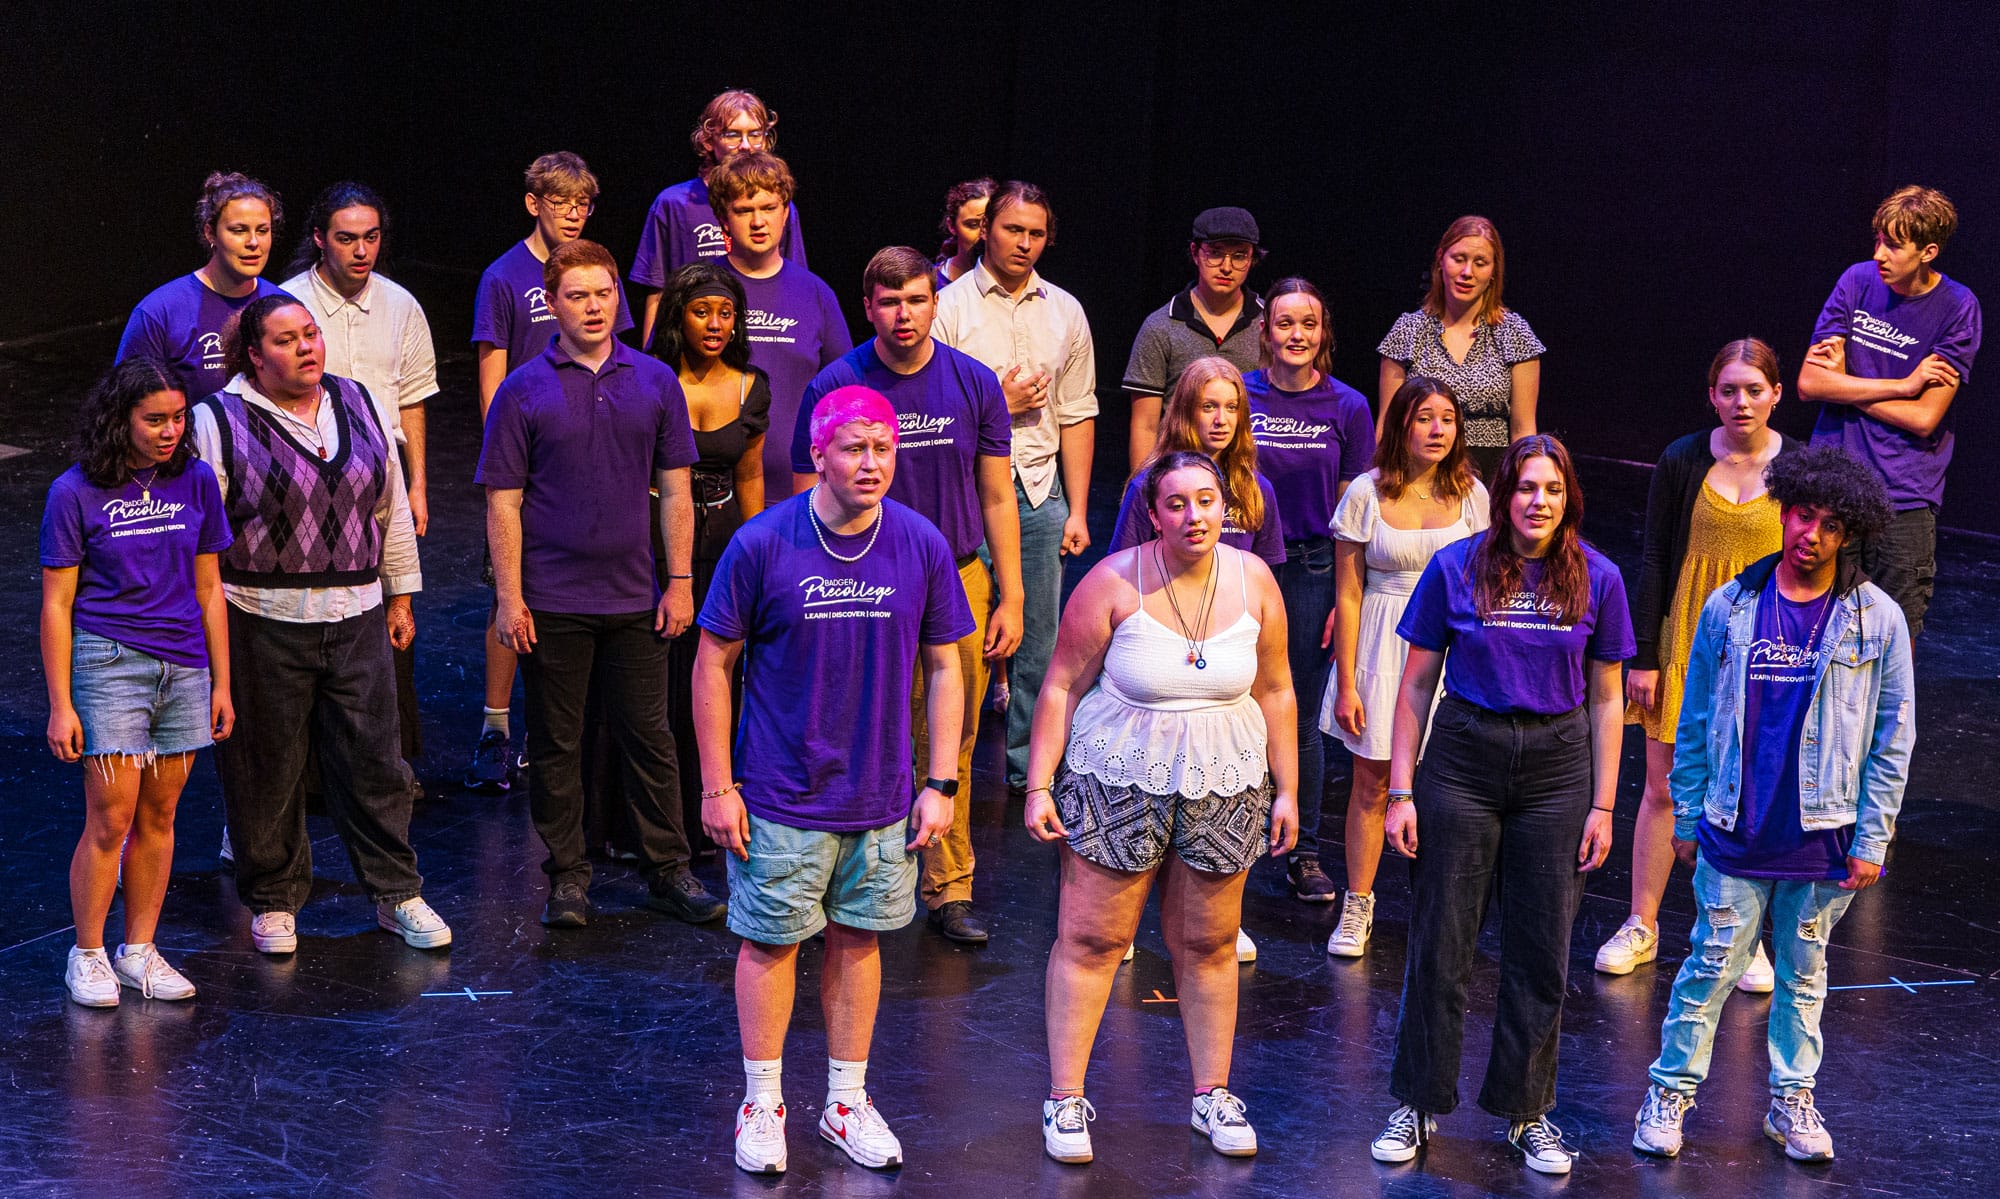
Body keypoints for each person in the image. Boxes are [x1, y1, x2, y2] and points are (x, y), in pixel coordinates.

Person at [695, 388, 973, 1176]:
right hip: (781, 794)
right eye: (855, 449)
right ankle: (763, 1102)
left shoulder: (919, 542)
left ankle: (844, 1101)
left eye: (884, 449)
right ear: (818, 453)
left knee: (859, 941)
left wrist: (942, 780)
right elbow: (713, 662)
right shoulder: (763, 543)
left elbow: (948, 660)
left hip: (882, 796)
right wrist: (720, 784)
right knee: (772, 944)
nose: (872, 464)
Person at [1631, 445, 1909, 1164]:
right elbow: (1693, 719)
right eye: (1800, 515)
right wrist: (1687, 814)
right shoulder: (1731, 606)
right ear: (1783, 513)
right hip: (1736, 824)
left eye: (1826, 524)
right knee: (1709, 965)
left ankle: (1791, 1099)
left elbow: (1891, 737)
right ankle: (1669, 1091)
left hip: (1821, 834)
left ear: (1847, 534)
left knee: (1804, 976)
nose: (1808, 533)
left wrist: (1873, 838)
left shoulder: (1875, 621)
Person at [1025, 450, 1299, 1165]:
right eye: (1176, 503)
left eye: (1206, 500)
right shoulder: (1113, 582)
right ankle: (1065, 1098)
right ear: (1154, 512)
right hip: (1121, 774)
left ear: (1225, 506)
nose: (1194, 515)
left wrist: (1289, 786)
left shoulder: (1257, 581)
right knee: (1093, 942)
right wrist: (1038, 782)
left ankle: (1212, 1092)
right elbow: (1058, 684)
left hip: (1226, 776)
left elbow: (1276, 690)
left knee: (1210, 945)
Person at [1370, 435, 1632, 1176]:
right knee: (1440, 942)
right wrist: (1399, 788)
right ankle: (1416, 1103)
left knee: (1541, 948)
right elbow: (1416, 684)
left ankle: (1528, 1112)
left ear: (1567, 496)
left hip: (1556, 766)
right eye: (1525, 488)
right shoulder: (1456, 566)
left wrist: (1603, 804)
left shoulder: (1599, 578)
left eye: (1551, 488)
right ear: (1504, 495)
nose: (1538, 501)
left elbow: (1609, 700)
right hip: (1462, 756)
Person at [191, 295, 450, 955]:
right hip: (261, 617)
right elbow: (201, 544)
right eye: (286, 340)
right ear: (254, 353)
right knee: (266, 765)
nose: (306, 347)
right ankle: (275, 898)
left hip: (357, 614)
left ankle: (397, 892)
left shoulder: (359, 400)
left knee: (375, 761)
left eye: (311, 334)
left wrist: (400, 597)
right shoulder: (217, 420)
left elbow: (388, 503)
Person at [477, 240, 723, 928]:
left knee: (649, 736)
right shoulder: (522, 389)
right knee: (559, 740)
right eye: (577, 295)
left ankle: (667, 869)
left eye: (604, 293)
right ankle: (568, 876)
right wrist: (509, 594)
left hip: (635, 596)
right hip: (553, 600)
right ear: (551, 304)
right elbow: (503, 500)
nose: (593, 306)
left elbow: (677, 488)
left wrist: (678, 581)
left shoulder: (653, 381)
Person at [793, 246, 1021, 945]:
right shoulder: (836, 381)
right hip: (859, 574)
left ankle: (948, 888)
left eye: (918, 300)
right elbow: (808, 491)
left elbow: (995, 491)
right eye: (890, 302)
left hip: (955, 572)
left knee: (952, 733)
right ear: (869, 308)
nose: (904, 314)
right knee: (855, 721)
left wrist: (1011, 593)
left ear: (936, 302)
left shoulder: (973, 382)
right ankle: (841, 879)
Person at [1598, 339, 1800, 986]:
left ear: (1776, 392)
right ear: (1712, 394)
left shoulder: (1798, 466)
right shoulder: (1684, 459)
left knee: (1752, 797)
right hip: (1688, 639)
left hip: (1767, 650)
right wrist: (1647, 657)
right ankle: (1642, 923)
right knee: (1663, 788)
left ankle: (1745, 938)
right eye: (1729, 390)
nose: (1742, 402)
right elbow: (1656, 559)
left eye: (1754, 389)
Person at [41, 359, 233, 1006]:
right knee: (111, 814)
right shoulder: (75, 492)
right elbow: (57, 605)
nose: (169, 431)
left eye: (178, 418)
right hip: (109, 659)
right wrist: (61, 703)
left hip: (184, 663)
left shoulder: (197, 482)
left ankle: (140, 950)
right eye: (154, 419)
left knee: (161, 811)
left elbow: (210, 589)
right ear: (119, 419)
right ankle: (88, 952)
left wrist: (221, 684)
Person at [466, 151, 634, 792]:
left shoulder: (592, 272)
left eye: (583, 204)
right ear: (533, 203)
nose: (573, 213)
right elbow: (492, 375)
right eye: (561, 202)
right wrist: (505, 458)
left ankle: (554, 732)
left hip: (589, 456)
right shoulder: (505, 277)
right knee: (509, 592)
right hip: (528, 458)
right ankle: (496, 724)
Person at [932, 180, 1096, 809]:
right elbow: (931, 407)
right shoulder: (948, 307)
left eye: (1035, 234)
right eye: (1012, 230)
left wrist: (1077, 507)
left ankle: (1032, 769)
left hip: (1037, 486)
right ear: (984, 229)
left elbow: (1077, 412)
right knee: (964, 636)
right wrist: (993, 403)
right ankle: (953, 764)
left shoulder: (1065, 310)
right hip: (964, 492)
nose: (1024, 244)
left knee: (1038, 638)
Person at [1320, 376, 1488, 956]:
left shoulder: (1472, 494)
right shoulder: (1366, 493)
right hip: (1381, 642)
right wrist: (1347, 682)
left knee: (1448, 787)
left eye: (1447, 419)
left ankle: (1438, 915)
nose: (1437, 429)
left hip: (1451, 645)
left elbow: (1491, 586)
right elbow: (1346, 594)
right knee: (1371, 784)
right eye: (1424, 418)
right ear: (1401, 425)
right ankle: (1358, 905)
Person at [281, 181, 438, 794]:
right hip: (306, 476)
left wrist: (418, 483)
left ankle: (385, 762)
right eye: (346, 239)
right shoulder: (287, 303)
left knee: (391, 612)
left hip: (381, 477)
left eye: (371, 238)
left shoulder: (400, 306)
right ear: (320, 238)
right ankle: (314, 772)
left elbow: (413, 399)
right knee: (314, 615)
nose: (361, 250)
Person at [1242, 276, 1375, 902]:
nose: (1296, 335)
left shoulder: (1347, 406)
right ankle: (1232, 844)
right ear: (1265, 331)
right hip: (1239, 560)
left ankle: (1305, 852)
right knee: (1232, 703)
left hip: (1314, 568)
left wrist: (1350, 595)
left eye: (1309, 325)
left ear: (1322, 335)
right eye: (1285, 323)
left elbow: (1361, 509)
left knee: (1296, 710)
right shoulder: (1238, 396)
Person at [1799, 184, 1982, 637]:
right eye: (1878, 239)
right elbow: (1809, 383)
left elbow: (1924, 418)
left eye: (1894, 245)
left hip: (1904, 495)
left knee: (1893, 632)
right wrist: (1902, 385)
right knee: (1819, 624)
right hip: (1835, 483)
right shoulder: (1856, 281)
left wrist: (1845, 387)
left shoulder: (1959, 307)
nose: (1880, 254)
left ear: (1928, 251)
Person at [652, 263, 770, 849]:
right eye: (703, 312)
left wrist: (760, 558)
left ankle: (713, 814)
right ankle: (652, 823)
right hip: (655, 536)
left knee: (717, 670)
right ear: (678, 315)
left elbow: (749, 476)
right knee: (657, 679)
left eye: (726, 313)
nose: (716, 324)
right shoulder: (650, 379)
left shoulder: (751, 384)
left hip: (723, 538)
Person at [707, 150, 852, 500]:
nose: (758, 222)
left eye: (768, 208)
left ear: (785, 213)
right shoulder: (698, 288)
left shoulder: (815, 293)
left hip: (799, 490)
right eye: (744, 211)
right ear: (723, 219)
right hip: (715, 492)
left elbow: (845, 392)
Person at [632, 88, 807, 346]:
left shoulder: (779, 206)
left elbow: (793, 282)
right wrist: (651, 364)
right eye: (733, 135)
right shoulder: (674, 203)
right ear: (708, 140)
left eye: (755, 135)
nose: (746, 146)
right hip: (693, 340)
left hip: (761, 331)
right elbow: (657, 292)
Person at [1377, 215, 1544, 484]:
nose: (1467, 272)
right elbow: (1387, 425)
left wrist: (1520, 488)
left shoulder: (1515, 333)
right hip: (1420, 473)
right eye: (1459, 259)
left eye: (1480, 263)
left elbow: (1523, 431)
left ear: (1493, 272)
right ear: (1441, 260)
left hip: (1492, 477)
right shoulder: (1408, 330)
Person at [117, 171, 290, 400]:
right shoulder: (160, 312)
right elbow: (126, 404)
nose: (253, 243)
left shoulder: (284, 307)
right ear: (210, 232)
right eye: (238, 231)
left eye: (262, 230)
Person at [1125, 208, 1268, 472]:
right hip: (1178, 479)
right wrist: (1143, 494)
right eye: (1215, 253)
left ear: (1252, 260)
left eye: (1239, 256)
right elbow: (1145, 424)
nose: (1226, 267)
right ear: (1194, 253)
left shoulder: (1268, 325)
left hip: (1247, 475)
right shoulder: (1161, 326)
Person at [1112, 358, 1285, 570]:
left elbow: (1266, 577)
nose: (1221, 419)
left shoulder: (1257, 489)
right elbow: (1121, 571)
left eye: (1231, 407)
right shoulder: (1147, 487)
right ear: (1186, 412)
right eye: (1209, 406)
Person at [933, 177, 995, 289]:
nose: (984, 234)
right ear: (951, 226)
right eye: (973, 225)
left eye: (990, 225)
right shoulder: (931, 282)